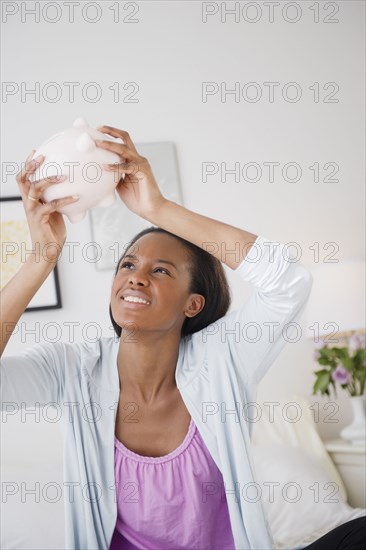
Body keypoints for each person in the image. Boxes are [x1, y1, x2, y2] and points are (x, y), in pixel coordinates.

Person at [1, 127, 364, 550]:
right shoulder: (70, 369)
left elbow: (287, 281)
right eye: (128, 264)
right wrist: (40, 258)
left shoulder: (223, 359)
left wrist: (157, 207)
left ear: (193, 304)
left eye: (161, 270)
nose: (135, 276)